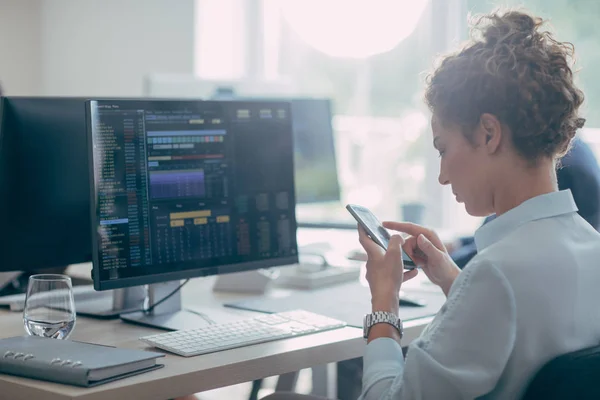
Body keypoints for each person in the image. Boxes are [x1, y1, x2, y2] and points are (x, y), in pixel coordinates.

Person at [264, 8, 600, 400]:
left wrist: (383, 305)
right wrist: (449, 278)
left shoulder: (497, 274)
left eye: (443, 149)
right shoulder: (589, 250)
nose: (442, 176)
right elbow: (520, 329)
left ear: (489, 133)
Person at [448, 136, 600, 268]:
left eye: (443, 150)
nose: (443, 177)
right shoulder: (557, 151)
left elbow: (519, 242)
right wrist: (458, 245)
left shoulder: (559, 167)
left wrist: (452, 260)